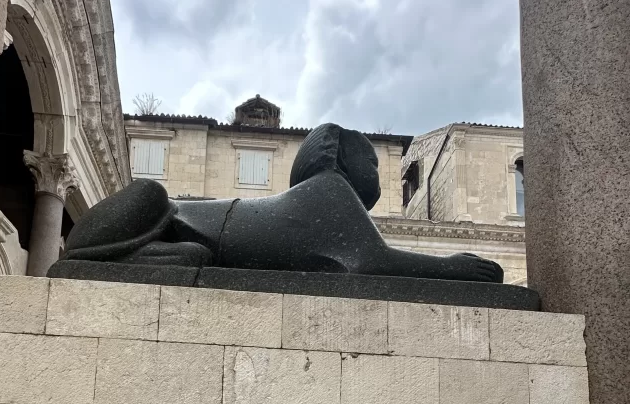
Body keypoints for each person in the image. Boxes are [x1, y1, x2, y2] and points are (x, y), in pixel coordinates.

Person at [60, 123, 503, 283]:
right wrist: (450, 267)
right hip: (158, 222)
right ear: (341, 159)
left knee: (192, 252)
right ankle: (140, 254)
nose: (376, 173)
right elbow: (368, 263)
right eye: (370, 158)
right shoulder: (329, 191)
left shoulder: (329, 199)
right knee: (151, 193)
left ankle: (149, 256)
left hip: (198, 237)